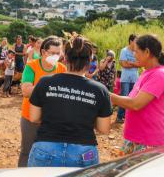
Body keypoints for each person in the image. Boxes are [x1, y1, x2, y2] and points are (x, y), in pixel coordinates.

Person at [28, 35, 112, 168]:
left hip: (46, 147)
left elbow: (33, 117)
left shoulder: (45, 82)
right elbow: (104, 128)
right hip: (84, 151)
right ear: (90, 60)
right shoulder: (100, 90)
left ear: (65, 58)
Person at [111, 34, 164, 154]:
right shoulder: (146, 72)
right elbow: (130, 100)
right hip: (135, 138)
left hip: (149, 141)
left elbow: (136, 104)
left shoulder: (159, 75)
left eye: (136, 51)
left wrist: (106, 95)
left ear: (147, 52)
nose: (134, 56)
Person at [18, 36, 67, 167]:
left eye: (59, 53)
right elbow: (26, 91)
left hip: (52, 118)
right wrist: (48, 83)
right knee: (27, 151)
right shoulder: (31, 66)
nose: (56, 56)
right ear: (44, 52)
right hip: (30, 117)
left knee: (50, 152)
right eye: (53, 53)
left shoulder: (62, 69)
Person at [117, 34, 139, 123]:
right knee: (124, 97)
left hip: (135, 78)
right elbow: (123, 64)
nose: (137, 43)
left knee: (132, 98)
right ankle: (119, 116)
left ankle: (128, 117)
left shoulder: (137, 52)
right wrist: (134, 64)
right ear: (131, 41)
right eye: (136, 41)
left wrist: (130, 63)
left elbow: (140, 64)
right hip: (125, 78)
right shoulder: (124, 50)